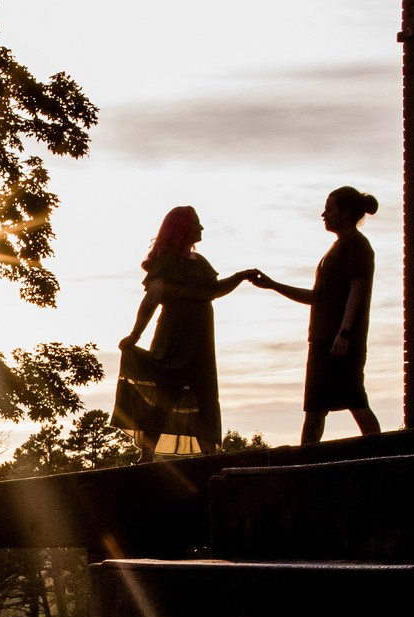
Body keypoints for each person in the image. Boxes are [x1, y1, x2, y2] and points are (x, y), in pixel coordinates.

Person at [113, 205, 252, 462]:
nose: (201, 228)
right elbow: (152, 299)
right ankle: (147, 454)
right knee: (165, 393)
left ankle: (209, 454)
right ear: (182, 228)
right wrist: (135, 334)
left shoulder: (200, 263)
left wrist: (240, 277)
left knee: (207, 395)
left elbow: (214, 290)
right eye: (197, 223)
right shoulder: (166, 262)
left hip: (202, 340)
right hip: (174, 336)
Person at [250, 187, 382, 445]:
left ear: (344, 213)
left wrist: (343, 334)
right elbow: (316, 297)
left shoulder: (356, 244)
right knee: (315, 410)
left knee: (355, 400)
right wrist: (273, 285)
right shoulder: (337, 248)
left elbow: (357, 290)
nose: (324, 214)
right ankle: (305, 465)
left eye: (329, 209)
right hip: (322, 341)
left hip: (340, 343)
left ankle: (382, 454)